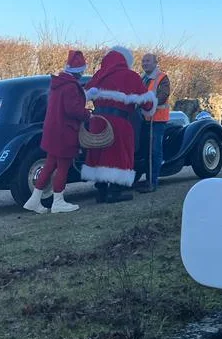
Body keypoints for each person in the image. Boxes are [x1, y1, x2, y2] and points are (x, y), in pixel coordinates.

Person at [81, 46, 156, 204]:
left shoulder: (99, 75)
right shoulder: (130, 76)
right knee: (118, 154)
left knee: (98, 153)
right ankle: (115, 191)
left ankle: (101, 191)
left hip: (97, 121)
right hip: (119, 122)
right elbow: (148, 104)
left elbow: (83, 95)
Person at [23, 49, 90, 215]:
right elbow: (73, 110)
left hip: (53, 131)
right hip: (65, 132)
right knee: (63, 167)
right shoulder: (70, 87)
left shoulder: (58, 84)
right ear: (79, 70)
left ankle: (34, 200)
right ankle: (58, 201)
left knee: (49, 165)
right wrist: (88, 114)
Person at [136, 52, 170, 193]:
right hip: (143, 120)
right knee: (145, 150)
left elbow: (162, 97)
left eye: (148, 61)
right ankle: (145, 179)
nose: (145, 63)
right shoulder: (142, 78)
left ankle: (153, 181)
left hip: (157, 120)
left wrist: (144, 102)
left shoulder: (162, 78)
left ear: (156, 63)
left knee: (155, 151)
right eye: (143, 61)